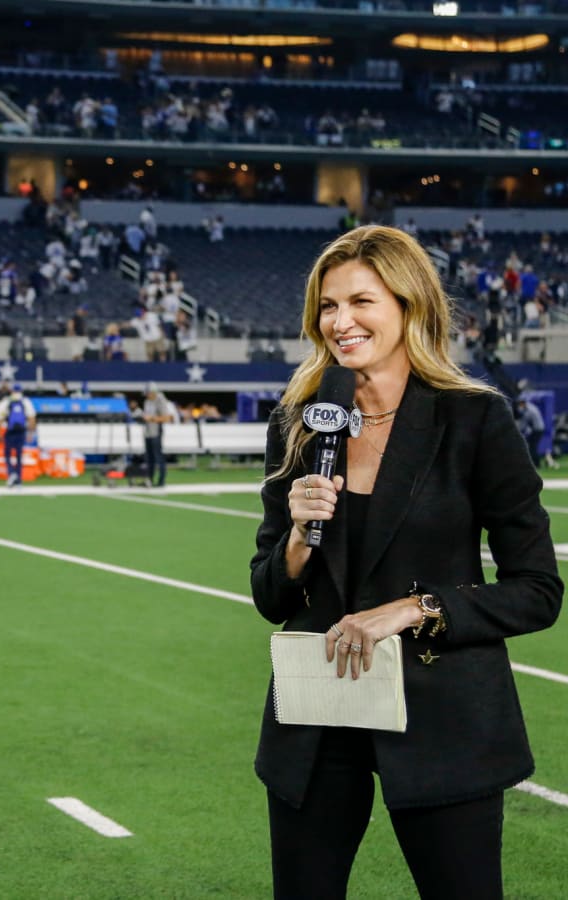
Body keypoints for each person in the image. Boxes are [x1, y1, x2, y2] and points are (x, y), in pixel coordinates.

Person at [250, 225, 562, 900]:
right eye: (328, 307)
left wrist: (415, 609)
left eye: (362, 301)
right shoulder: (299, 422)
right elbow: (269, 593)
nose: (341, 322)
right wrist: (300, 538)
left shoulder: (474, 420)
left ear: (409, 305)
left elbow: (538, 590)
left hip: (442, 714)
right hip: (318, 710)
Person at [137, 383, 179, 487]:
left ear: (153, 392)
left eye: (148, 393)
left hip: (156, 431)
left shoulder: (160, 400)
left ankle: (161, 480)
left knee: (158, 456)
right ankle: (149, 480)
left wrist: (151, 418)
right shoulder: (147, 401)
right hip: (148, 431)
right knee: (149, 458)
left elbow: (167, 418)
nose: (147, 395)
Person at [0, 383, 36, 487]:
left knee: (8, 454)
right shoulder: (25, 401)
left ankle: (11, 474)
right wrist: (30, 433)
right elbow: (32, 418)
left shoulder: (8, 401)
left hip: (10, 431)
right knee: (19, 455)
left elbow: (1, 418)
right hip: (21, 431)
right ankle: (18, 478)